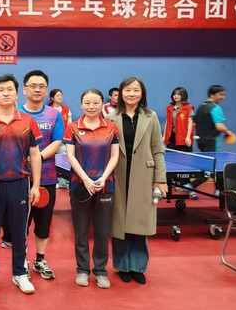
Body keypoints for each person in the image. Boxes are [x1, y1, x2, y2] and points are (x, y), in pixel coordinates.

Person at [0, 74, 42, 295]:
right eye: (1, 90)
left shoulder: (27, 121)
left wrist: (36, 185)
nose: (5, 93)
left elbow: (35, 153)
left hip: (20, 184)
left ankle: (20, 273)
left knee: (19, 231)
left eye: (9, 89)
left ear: (17, 93)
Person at [107, 76, 168, 285]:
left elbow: (157, 150)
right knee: (119, 223)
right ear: (120, 93)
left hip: (144, 175)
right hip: (118, 175)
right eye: (127, 90)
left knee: (140, 222)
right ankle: (123, 266)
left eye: (135, 90)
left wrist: (160, 179)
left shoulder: (151, 117)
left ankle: (138, 266)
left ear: (142, 93)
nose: (131, 94)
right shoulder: (111, 117)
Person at [64, 89, 119, 289]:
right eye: (87, 102)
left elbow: (115, 155)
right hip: (80, 186)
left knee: (102, 232)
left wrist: (103, 178)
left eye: (95, 102)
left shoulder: (111, 127)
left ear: (102, 104)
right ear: (81, 104)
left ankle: (101, 271)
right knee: (81, 231)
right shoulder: (72, 128)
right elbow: (70, 156)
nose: (91, 106)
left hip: (106, 186)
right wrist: (86, 179)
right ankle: (82, 270)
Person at [18, 69, 64, 280]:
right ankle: (22, 261)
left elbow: (57, 141)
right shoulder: (16, 113)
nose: (37, 90)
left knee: (43, 223)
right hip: (19, 179)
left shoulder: (54, 115)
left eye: (41, 86)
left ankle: (40, 259)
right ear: (24, 89)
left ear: (46, 90)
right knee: (20, 224)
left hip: (47, 178)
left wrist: (38, 157)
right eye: (33, 86)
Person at [194, 85, 233, 152]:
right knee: (213, 158)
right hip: (212, 142)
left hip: (200, 142)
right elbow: (220, 127)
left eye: (224, 95)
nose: (223, 97)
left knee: (205, 158)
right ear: (212, 95)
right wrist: (228, 132)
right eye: (220, 94)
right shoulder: (215, 108)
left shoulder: (201, 107)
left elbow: (194, 123)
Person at [49, 88, 71, 189]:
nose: (60, 97)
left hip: (63, 140)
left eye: (61, 95)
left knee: (63, 160)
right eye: (57, 95)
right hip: (50, 140)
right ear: (52, 98)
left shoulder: (66, 110)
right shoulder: (48, 109)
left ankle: (63, 183)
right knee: (50, 161)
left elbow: (69, 125)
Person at [163, 87, 194, 153]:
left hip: (183, 137)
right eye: (174, 94)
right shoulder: (169, 108)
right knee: (170, 156)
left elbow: (190, 123)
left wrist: (188, 137)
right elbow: (167, 122)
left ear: (183, 96)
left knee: (184, 157)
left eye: (178, 94)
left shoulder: (188, 108)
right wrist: (164, 136)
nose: (176, 96)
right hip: (171, 137)